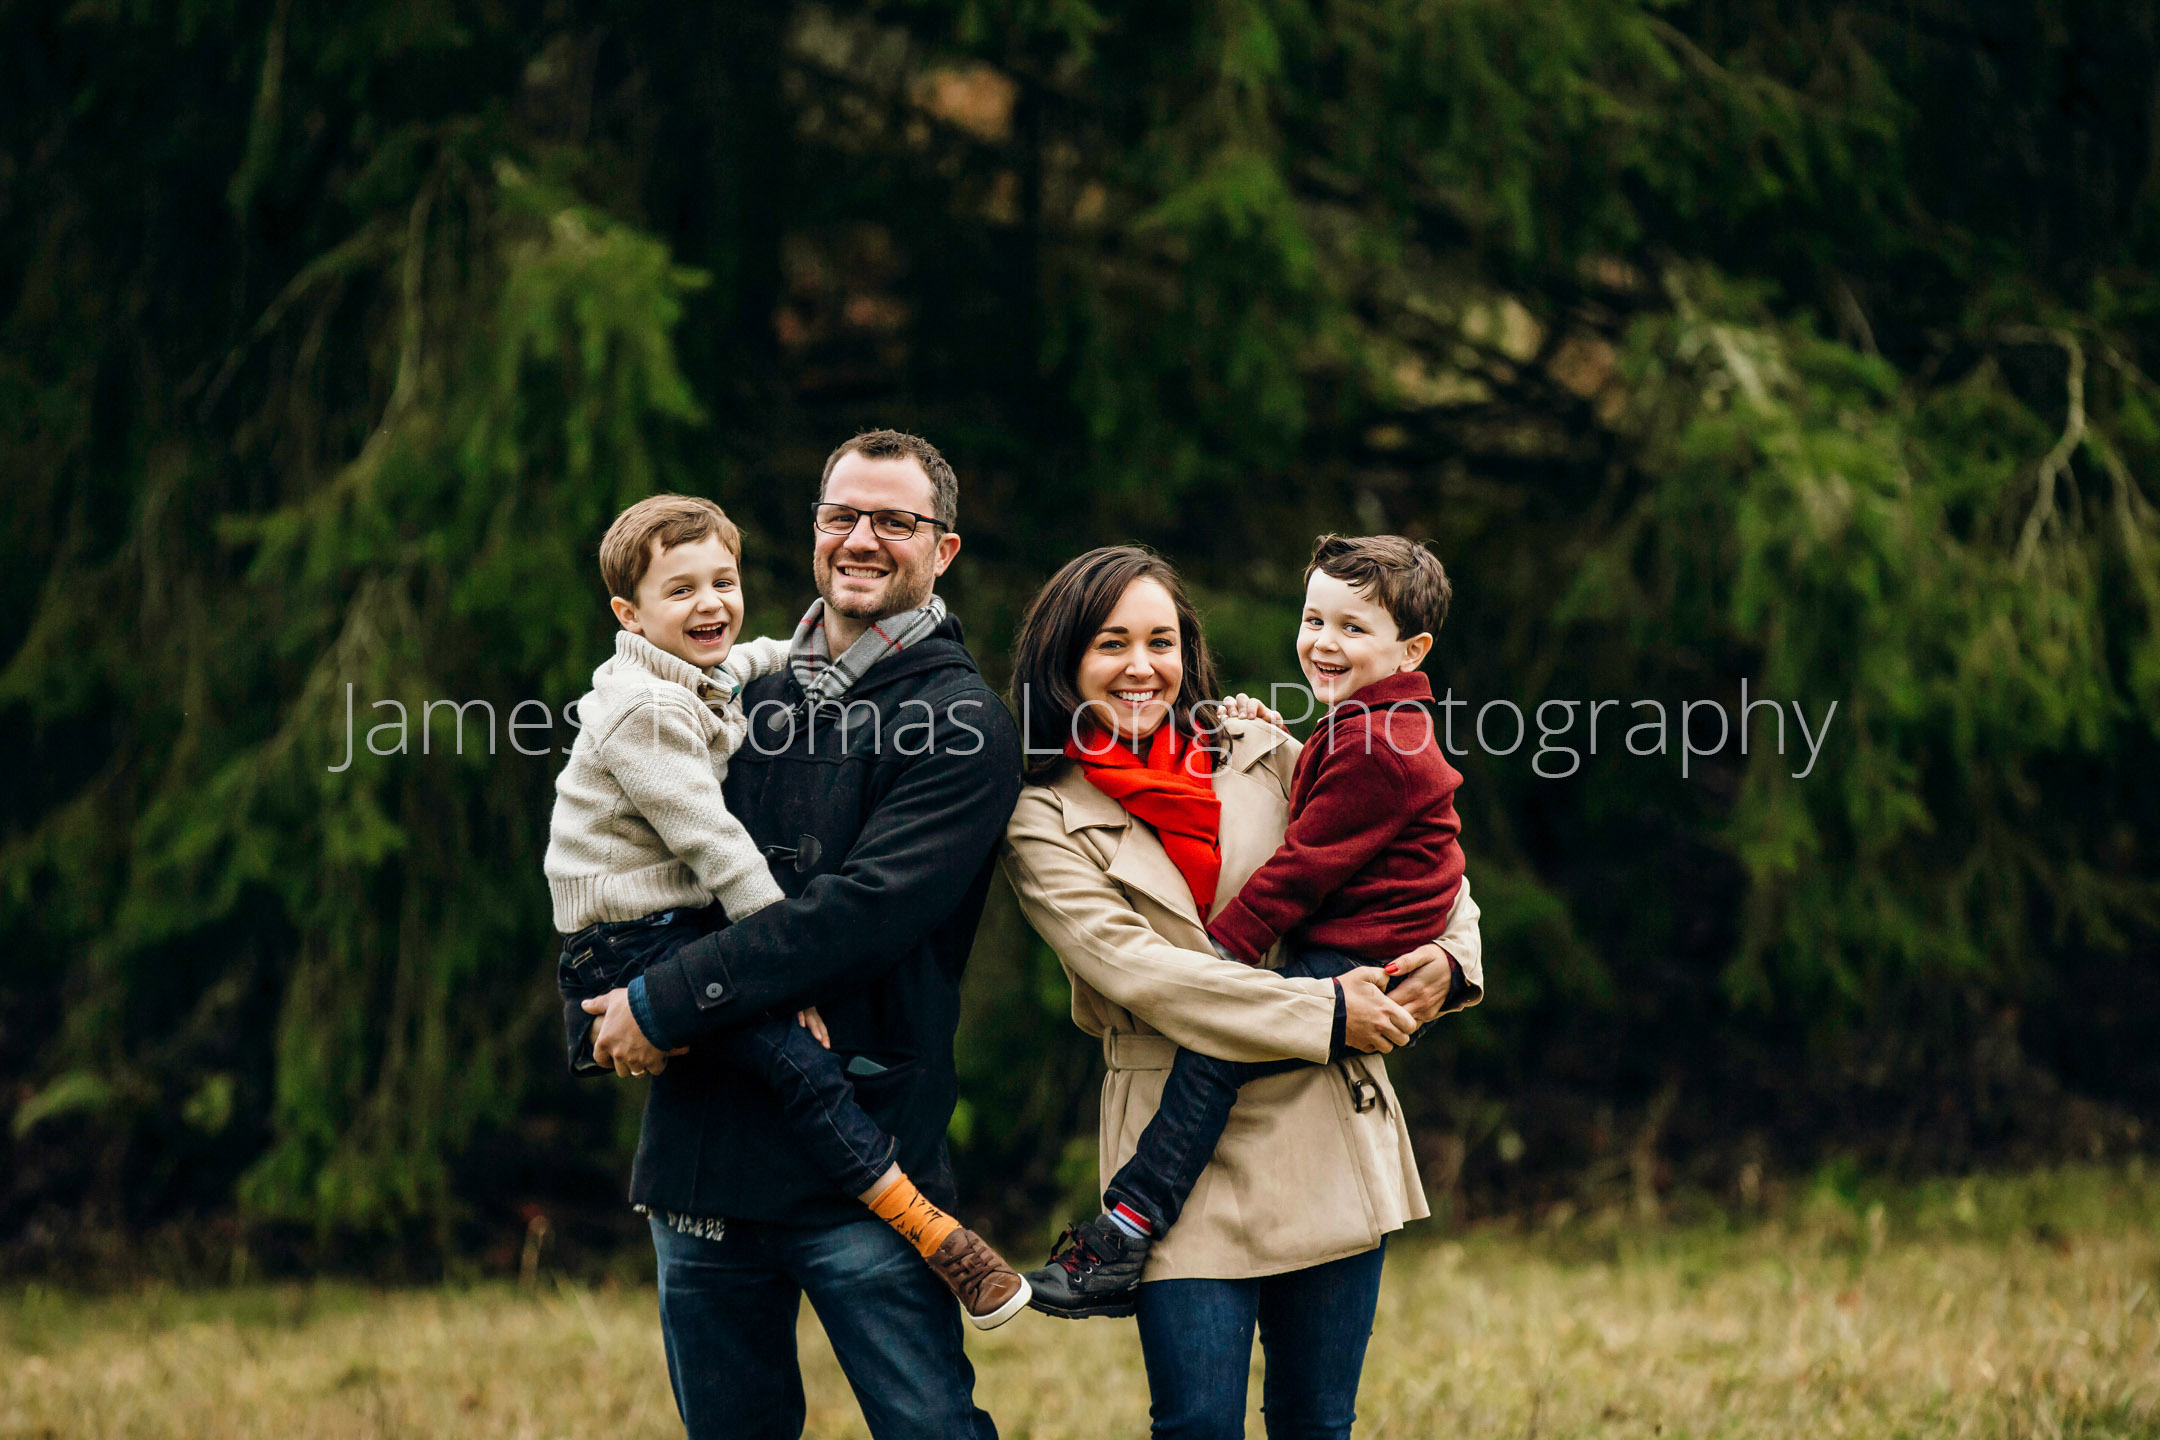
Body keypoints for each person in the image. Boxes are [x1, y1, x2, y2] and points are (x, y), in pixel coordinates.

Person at [580, 432, 1021, 1440]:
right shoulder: (727, 692)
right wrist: (598, 1002)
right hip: (705, 1153)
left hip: (863, 1162)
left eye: (895, 522)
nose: (861, 539)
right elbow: (628, 860)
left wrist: (657, 1002)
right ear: (815, 530)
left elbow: (855, 919)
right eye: (841, 516)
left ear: (943, 551)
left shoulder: (961, 724)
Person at [1001, 545, 1483, 1440]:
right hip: (1177, 1150)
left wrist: (1455, 964)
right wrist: (1329, 1012)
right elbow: (1144, 974)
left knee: (1316, 1423)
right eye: (1112, 644)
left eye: (1162, 640)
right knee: (1197, 1427)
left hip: (1320, 1128)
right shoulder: (1041, 816)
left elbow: (1414, 849)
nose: (1141, 666)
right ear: (1065, 659)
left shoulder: (1257, 747)